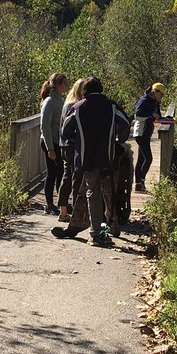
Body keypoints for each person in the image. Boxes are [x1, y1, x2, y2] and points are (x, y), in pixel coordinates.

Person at [52, 76, 130, 245]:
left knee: (92, 192)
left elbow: (64, 131)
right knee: (109, 191)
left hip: (86, 156)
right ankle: (113, 225)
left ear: (85, 91)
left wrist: (78, 138)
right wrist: (118, 140)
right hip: (107, 156)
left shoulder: (77, 107)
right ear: (100, 89)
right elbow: (125, 124)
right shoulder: (111, 106)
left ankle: (95, 233)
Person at [56, 77, 87, 222]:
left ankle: (63, 212)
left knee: (67, 177)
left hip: (63, 145)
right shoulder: (76, 105)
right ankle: (76, 212)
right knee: (77, 178)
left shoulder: (66, 104)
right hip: (73, 145)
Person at [39, 72, 69, 215]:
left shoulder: (60, 100)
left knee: (60, 173)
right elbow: (45, 126)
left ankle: (61, 203)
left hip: (58, 141)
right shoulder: (49, 102)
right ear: (57, 85)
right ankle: (49, 205)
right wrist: (50, 148)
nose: (67, 86)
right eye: (64, 83)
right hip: (50, 142)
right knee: (52, 173)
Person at [132, 82, 165, 193]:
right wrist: (151, 115)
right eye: (161, 94)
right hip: (140, 132)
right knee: (148, 158)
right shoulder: (144, 101)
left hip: (147, 133)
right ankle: (140, 182)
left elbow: (158, 115)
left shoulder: (155, 102)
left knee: (141, 159)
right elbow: (137, 115)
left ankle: (138, 185)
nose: (162, 97)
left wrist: (159, 116)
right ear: (155, 92)